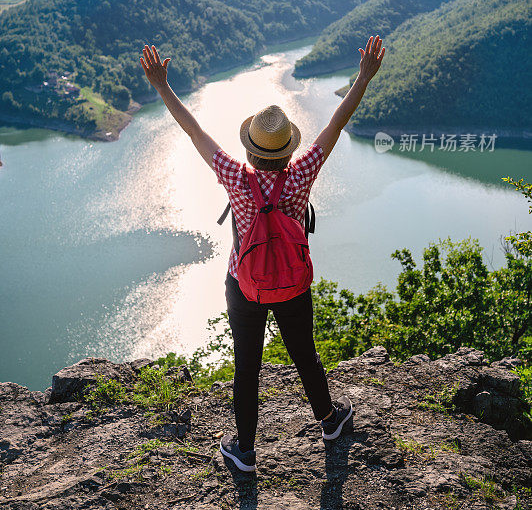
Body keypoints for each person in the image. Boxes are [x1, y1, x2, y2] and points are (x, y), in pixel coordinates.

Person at [140, 35, 385, 472]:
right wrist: (363, 77)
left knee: (246, 366)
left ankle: (246, 452)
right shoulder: (301, 174)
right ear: (288, 147)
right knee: (304, 354)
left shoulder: (236, 177)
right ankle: (329, 422)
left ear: (251, 151)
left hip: (245, 286)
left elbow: (194, 130)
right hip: (292, 284)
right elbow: (337, 123)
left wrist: (162, 85)